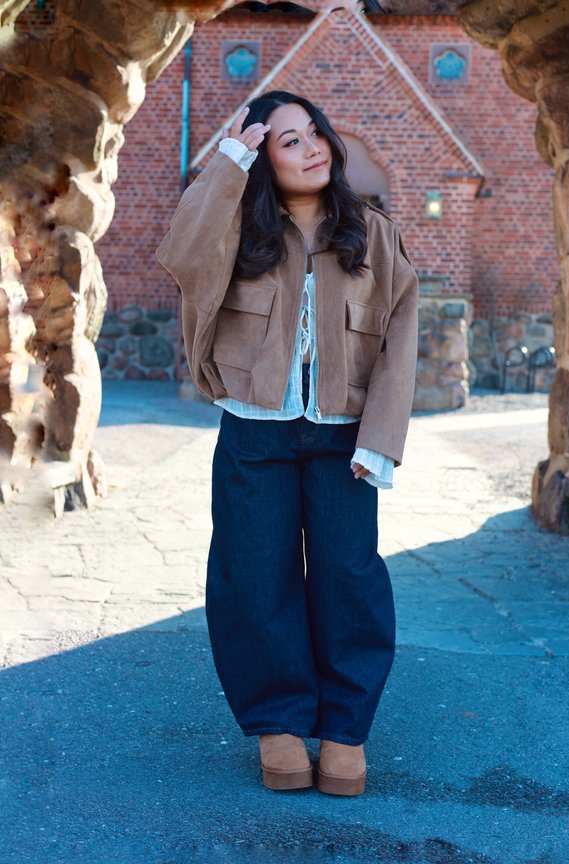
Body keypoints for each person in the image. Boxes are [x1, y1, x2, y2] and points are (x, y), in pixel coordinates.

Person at [156, 90, 418, 796]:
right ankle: (277, 727)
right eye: (288, 142)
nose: (312, 149)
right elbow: (180, 255)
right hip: (254, 431)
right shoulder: (235, 228)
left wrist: (382, 439)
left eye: (316, 135)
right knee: (254, 577)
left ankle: (343, 735)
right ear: (264, 160)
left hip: (345, 440)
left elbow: (399, 340)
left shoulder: (374, 234)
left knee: (350, 581)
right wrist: (231, 158)